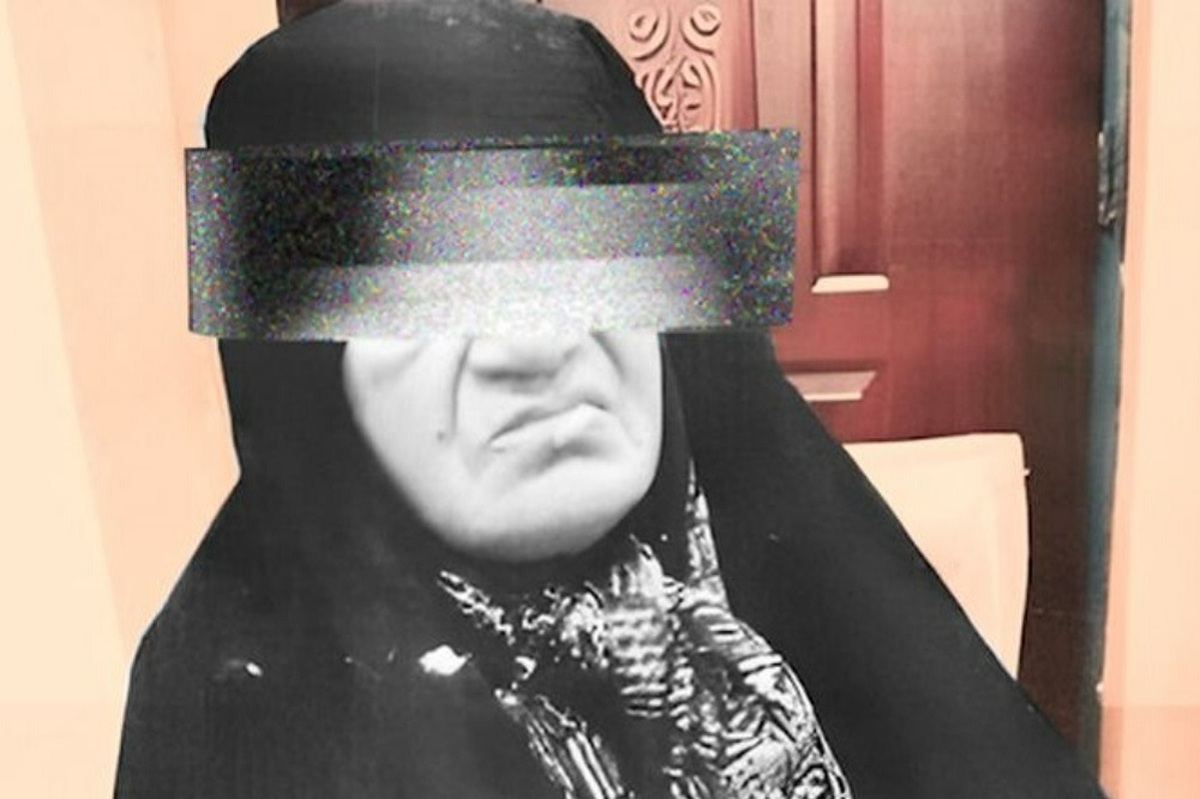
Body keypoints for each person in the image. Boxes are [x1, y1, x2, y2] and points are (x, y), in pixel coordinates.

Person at [115, 2, 1108, 797]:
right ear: (297, 375)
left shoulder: (797, 566)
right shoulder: (228, 711)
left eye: (590, 255)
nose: (535, 344)